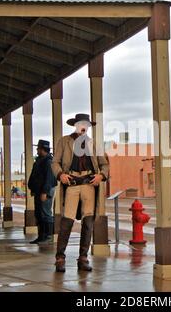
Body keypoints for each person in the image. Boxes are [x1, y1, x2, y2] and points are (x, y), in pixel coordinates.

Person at [52, 113, 109, 272]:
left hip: (89, 184)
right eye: (81, 124)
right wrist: (60, 174)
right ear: (75, 125)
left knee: (88, 222)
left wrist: (101, 175)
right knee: (67, 221)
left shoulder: (94, 143)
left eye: (86, 124)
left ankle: (83, 258)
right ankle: (60, 258)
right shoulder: (64, 141)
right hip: (71, 183)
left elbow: (105, 165)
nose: (83, 127)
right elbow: (55, 162)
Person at [28, 140, 57, 245]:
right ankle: (41, 236)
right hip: (38, 190)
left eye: (38, 148)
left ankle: (48, 236)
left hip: (45, 190)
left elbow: (49, 178)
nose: (37, 150)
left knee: (46, 213)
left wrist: (45, 192)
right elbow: (34, 176)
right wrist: (32, 188)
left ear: (42, 149)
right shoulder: (39, 161)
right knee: (39, 214)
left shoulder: (48, 162)